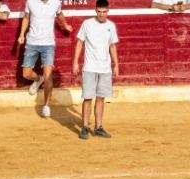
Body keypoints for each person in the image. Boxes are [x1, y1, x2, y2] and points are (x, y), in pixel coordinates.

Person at [72, 0, 117, 141]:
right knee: (87, 97)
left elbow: (112, 46)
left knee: (101, 98)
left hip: (105, 68)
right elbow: (79, 42)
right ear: (95, 10)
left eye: (104, 12)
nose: (102, 14)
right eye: (99, 11)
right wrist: (75, 62)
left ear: (108, 11)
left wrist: (116, 64)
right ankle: (85, 127)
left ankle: (98, 127)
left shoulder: (111, 26)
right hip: (90, 67)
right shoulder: (87, 24)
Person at [17, 0, 66, 121]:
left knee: (48, 75)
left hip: (48, 44)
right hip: (32, 42)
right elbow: (26, 18)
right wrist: (22, 34)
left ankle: (46, 106)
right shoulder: (31, 2)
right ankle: (39, 79)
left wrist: (65, 25)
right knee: (26, 73)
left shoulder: (56, 2)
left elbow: (60, 14)